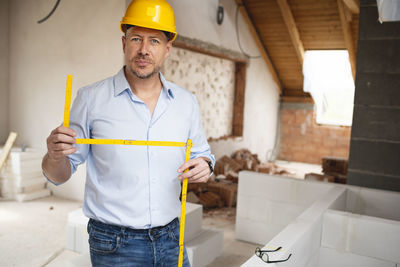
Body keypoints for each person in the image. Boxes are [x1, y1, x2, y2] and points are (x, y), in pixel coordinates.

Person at [41, 0, 215, 266]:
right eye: (136, 38)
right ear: (124, 44)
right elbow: (59, 175)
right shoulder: (90, 99)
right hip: (114, 243)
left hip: (171, 237)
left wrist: (205, 165)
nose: (144, 50)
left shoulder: (186, 102)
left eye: (154, 41)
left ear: (168, 49)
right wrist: (54, 156)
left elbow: (203, 154)